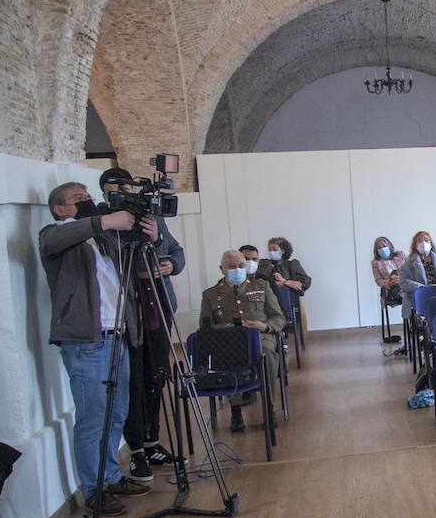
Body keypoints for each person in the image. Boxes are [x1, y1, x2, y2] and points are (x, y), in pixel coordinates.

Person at [39, 182, 154, 517]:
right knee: (93, 419)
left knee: (116, 412)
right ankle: (94, 490)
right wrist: (104, 221)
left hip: (116, 335)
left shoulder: (102, 239)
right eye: (78, 199)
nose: (88, 201)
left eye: (89, 196)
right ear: (60, 209)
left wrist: (148, 234)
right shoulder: (56, 234)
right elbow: (52, 241)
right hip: (87, 341)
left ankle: (110, 476)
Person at [99, 167, 184, 474]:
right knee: (132, 383)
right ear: (105, 190)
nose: (122, 188)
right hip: (129, 314)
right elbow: (111, 266)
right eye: (115, 185)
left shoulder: (151, 217)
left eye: (126, 184)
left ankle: (152, 443)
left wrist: (167, 261)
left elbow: (177, 252)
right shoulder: (103, 223)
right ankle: (136, 450)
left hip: (158, 309)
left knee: (156, 377)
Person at [200, 249, 286, 433]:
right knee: (229, 358)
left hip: (260, 337)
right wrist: (229, 327)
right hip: (228, 341)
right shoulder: (211, 295)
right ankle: (236, 411)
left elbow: (278, 318)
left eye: (241, 265)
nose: (237, 269)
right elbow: (205, 328)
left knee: (267, 354)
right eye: (231, 266)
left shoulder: (261, 286)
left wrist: (264, 326)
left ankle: (268, 408)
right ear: (222, 269)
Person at [258, 236, 310, 332]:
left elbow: (303, 283)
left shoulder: (292, 264)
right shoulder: (264, 264)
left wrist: (283, 282)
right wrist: (285, 283)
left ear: (283, 250)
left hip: (287, 302)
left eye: (274, 249)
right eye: (269, 249)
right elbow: (261, 282)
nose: (271, 252)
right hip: (267, 300)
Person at [398, 230, 436, 301]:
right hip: (421, 294)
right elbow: (403, 281)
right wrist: (420, 287)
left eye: (426, 240)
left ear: (431, 244)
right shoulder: (409, 263)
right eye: (420, 241)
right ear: (415, 245)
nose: (423, 243)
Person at [371, 236, 407, 305]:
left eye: (384, 246)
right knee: (407, 294)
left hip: (406, 282)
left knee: (416, 289)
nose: (382, 249)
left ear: (389, 246)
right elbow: (378, 281)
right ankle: (410, 314)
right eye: (379, 248)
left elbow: (411, 268)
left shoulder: (400, 255)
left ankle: (410, 314)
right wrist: (389, 283)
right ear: (377, 251)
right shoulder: (376, 263)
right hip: (393, 288)